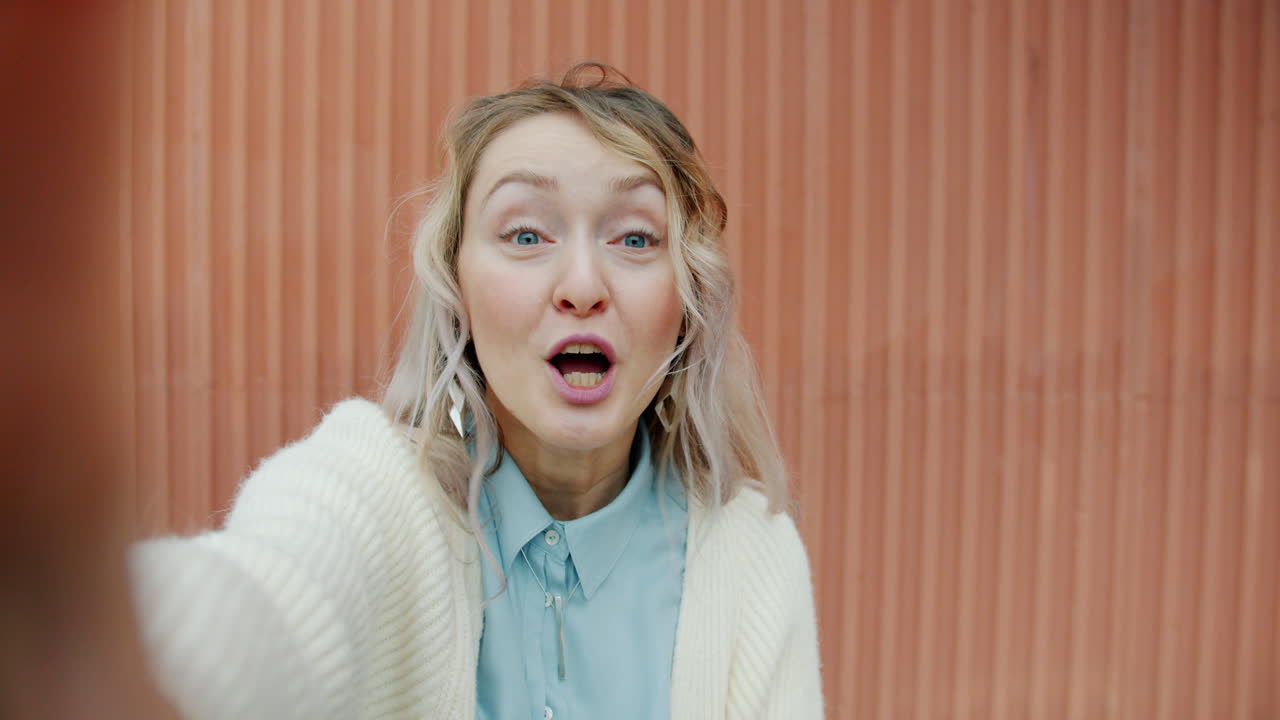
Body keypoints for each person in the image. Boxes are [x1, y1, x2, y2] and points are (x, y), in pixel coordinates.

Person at [128, 63, 823, 719]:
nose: (582, 286)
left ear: (687, 302)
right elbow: (265, 604)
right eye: (526, 233)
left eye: (636, 239)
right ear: (455, 289)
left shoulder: (753, 555)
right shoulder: (376, 489)